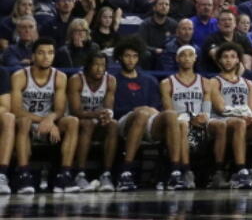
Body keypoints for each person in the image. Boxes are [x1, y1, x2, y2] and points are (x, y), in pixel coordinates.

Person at [108, 38, 180, 191]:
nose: (131, 59)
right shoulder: (112, 79)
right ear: (120, 57)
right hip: (122, 122)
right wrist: (139, 110)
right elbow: (112, 109)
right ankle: (125, 172)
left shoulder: (150, 80)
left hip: (148, 121)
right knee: (140, 113)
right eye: (127, 56)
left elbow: (157, 107)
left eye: (134, 56)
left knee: (171, 115)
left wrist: (149, 111)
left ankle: (174, 171)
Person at [11, 38, 79, 193]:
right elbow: (16, 110)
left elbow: (60, 109)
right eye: (41, 53)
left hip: (49, 124)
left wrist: (50, 120)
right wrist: (46, 120)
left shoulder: (60, 76)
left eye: (50, 53)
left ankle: (65, 174)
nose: (46, 57)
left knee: (72, 121)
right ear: (33, 56)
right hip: (26, 124)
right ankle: (24, 174)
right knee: (25, 121)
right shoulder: (20, 76)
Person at [210, 42, 252, 188]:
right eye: (225, 57)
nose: (228, 60)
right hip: (223, 121)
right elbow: (221, 108)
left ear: (238, 60)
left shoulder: (248, 83)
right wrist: (242, 115)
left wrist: (250, 116)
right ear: (219, 60)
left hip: (243, 119)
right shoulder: (214, 82)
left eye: (233, 57)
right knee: (239, 123)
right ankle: (241, 171)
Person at [163, 45, 212, 190]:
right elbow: (169, 111)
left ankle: (219, 172)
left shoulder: (205, 82)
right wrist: (190, 120)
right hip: (177, 124)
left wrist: (203, 118)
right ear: (177, 59)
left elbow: (207, 112)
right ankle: (185, 171)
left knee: (217, 126)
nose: (187, 58)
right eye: (183, 55)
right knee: (182, 124)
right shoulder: (167, 83)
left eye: (190, 55)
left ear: (195, 58)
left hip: (200, 127)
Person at [68, 51, 116, 191]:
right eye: (95, 65)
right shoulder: (76, 80)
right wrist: (96, 114)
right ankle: (80, 174)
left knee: (113, 125)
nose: (99, 68)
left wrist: (107, 114)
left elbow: (108, 107)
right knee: (87, 124)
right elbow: (75, 111)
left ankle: (106, 174)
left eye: (102, 65)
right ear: (88, 66)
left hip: (97, 121)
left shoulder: (110, 80)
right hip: (77, 122)